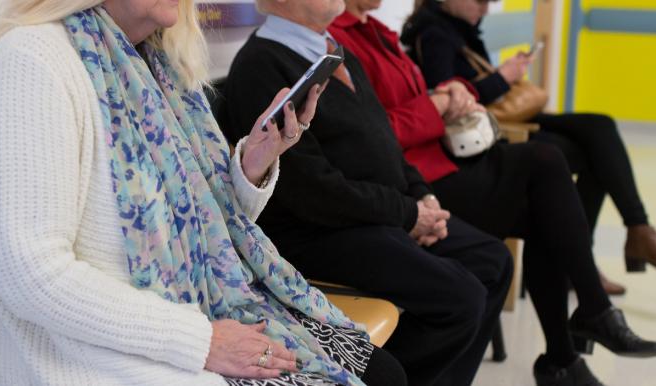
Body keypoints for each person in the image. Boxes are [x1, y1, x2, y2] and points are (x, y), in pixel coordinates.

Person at [0, 0, 409, 385]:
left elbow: (212, 227)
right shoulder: (32, 60)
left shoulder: (157, 65)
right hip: (85, 356)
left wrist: (254, 162)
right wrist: (202, 341)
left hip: (189, 315)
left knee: (383, 372)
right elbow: (28, 275)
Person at [327, 0, 656, 385]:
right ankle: (580, 333)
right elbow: (377, 133)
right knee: (547, 164)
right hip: (416, 178)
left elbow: (418, 97)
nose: (484, 7)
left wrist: (454, 93)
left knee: (550, 197)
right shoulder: (343, 41)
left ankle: (567, 350)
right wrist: (441, 102)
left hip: (438, 161)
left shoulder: (377, 32)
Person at [221, 1, 515, 385]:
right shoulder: (261, 66)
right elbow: (311, 192)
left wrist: (422, 197)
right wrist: (407, 214)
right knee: (460, 299)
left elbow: (387, 144)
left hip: (377, 215)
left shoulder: (335, 53)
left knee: (493, 262)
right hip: (319, 235)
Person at [402, 0, 656, 283]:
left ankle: (628, 234)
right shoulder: (435, 36)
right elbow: (451, 106)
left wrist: (505, 75)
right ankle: (593, 253)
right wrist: (504, 77)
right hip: (489, 133)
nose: (485, 10)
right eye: (480, 2)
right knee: (595, 151)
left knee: (600, 128)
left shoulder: (459, 29)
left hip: (506, 118)